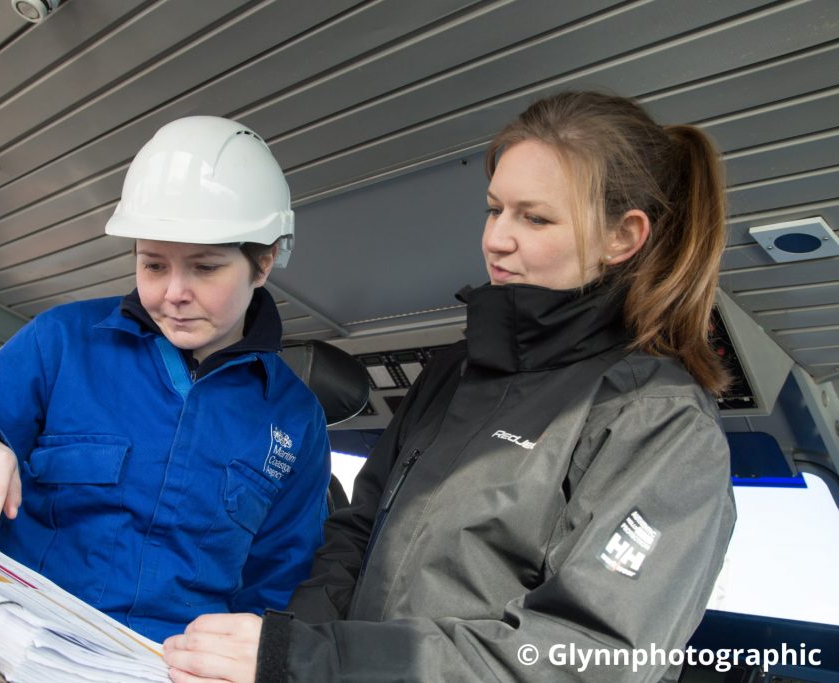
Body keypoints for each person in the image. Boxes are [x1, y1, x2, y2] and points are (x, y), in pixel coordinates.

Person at [162, 91, 737, 682]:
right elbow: (354, 537)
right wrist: (284, 650)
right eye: (495, 210)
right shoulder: (453, 373)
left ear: (623, 237)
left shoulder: (659, 423)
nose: (496, 238)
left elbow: (587, 657)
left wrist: (318, 663)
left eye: (534, 217)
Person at [0, 116, 331, 643]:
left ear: (263, 263)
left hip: (158, 666)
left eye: (205, 268)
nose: (173, 292)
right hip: (3, 636)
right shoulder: (62, 341)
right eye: (153, 265)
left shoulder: (296, 420)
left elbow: (275, 588)